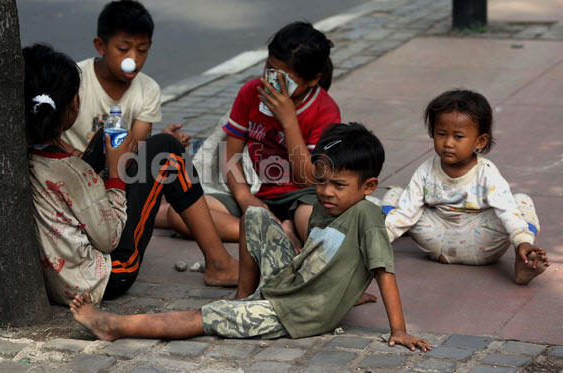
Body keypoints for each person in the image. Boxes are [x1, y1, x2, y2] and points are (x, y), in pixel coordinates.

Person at [69, 123, 431, 352]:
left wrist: (398, 330)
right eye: (321, 181)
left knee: (204, 317)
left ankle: (114, 326)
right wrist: (348, 287)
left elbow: (384, 271)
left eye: (339, 185)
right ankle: (244, 295)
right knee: (255, 214)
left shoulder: (367, 215)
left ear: (369, 187)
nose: (326, 192)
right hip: (288, 281)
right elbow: (326, 253)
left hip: (292, 312)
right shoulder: (328, 205)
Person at [24, 43, 238, 306]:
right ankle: (220, 264)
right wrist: (116, 174)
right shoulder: (73, 173)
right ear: (72, 105)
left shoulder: (19, 154)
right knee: (167, 152)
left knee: (109, 137)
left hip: (56, 274)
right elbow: (110, 237)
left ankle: (136, 161)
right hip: (105, 277)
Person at [166, 21, 341, 249]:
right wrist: (244, 196)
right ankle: (271, 232)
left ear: (312, 80)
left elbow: (308, 179)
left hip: (300, 197)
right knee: (178, 214)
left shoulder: (324, 110)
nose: (272, 82)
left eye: (284, 80)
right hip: (254, 190)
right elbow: (230, 155)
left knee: (312, 224)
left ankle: (277, 226)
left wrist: (289, 122)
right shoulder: (251, 92)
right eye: (269, 69)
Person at [381, 89, 549, 284]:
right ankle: (384, 235)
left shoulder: (487, 172)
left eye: (458, 137)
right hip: (438, 239)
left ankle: (524, 257)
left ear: (480, 140)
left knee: (520, 202)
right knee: (399, 196)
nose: (448, 143)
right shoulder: (425, 171)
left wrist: (522, 241)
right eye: (441, 134)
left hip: (482, 242)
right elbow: (406, 213)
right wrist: (375, 243)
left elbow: (506, 210)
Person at [60, 0, 189, 154]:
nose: (133, 59)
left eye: (142, 50)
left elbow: (133, 151)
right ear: (101, 46)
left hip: (119, 169)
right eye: (123, 49)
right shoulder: (73, 78)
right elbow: (48, 136)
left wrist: (158, 142)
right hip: (70, 166)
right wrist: (81, 161)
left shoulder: (148, 90)